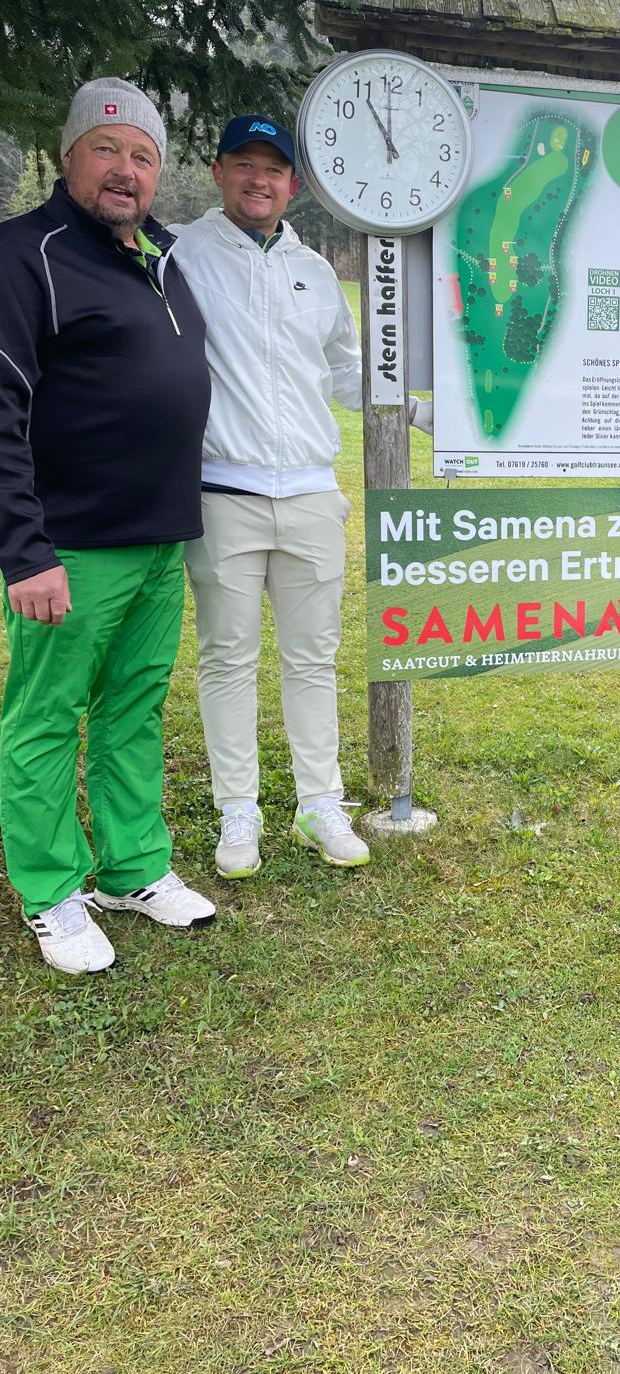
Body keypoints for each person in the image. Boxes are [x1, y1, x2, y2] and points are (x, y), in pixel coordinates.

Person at [171, 115, 430, 879]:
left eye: (274, 169)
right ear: (219, 172)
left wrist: (416, 410)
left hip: (312, 493)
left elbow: (347, 371)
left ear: (293, 185)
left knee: (313, 659)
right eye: (244, 164)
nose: (259, 180)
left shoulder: (314, 270)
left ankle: (320, 803)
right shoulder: (181, 253)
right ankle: (238, 811)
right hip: (225, 490)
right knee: (228, 658)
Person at [0, 78, 217, 974]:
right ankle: (51, 890)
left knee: (133, 709)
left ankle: (133, 868)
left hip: (161, 538)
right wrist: (24, 550)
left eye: (142, 156)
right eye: (107, 149)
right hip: (71, 546)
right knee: (46, 719)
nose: (125, 170)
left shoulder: (158, 254)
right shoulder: (27, 254)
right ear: (69, 157)